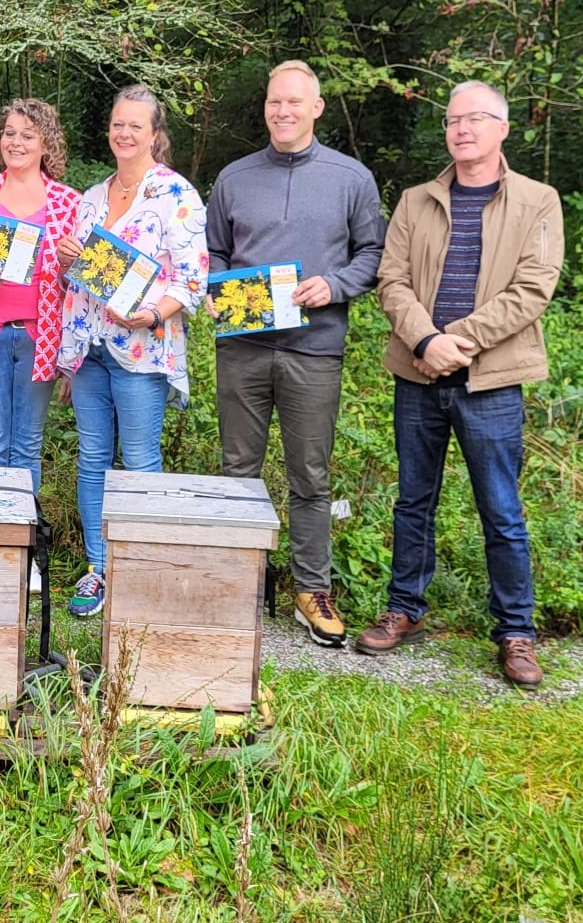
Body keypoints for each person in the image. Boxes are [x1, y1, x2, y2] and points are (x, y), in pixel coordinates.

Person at [358, 80, 564, 689]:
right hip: (417, 374)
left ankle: (517, 632)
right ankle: (404, 610)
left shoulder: (538, 200)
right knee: (412, 501)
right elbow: (390, 280)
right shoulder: (416, 200)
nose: (462, 129)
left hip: (492, 381)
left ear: (503, 127)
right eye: (452, 120)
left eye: (475, 119)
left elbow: (533, 289)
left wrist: (458, 343)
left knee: (501, 509)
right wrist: (426, 341)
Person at [207, 61, 386, 647]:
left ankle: (312, 588)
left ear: (316, 108)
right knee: (238, 472)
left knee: (310, 475)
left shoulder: (352, 178)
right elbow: (213, 253)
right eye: (273, 102)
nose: (282, 112)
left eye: (293, 102)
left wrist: (334, 285)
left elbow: (374, 254)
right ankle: (240, 582)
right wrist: (219, 290)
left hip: (315, 350)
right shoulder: (233, 178)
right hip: (243, 348)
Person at [57, 84, 208, 618]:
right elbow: (76, 274)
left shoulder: (175, 195)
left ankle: (141, 569)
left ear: (154, 134)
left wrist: (148, 315)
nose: (124, 133)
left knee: (140, 459)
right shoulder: (91, 197)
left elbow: (192, 281)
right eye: (118, 124)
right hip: (91, 348)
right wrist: (66, 256)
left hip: (142, 349)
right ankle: (98, 569)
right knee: (93, 458)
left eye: (135, 126)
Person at [0, 98, 80, 589]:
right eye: (9, 132)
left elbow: (83, 284)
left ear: (46, 143)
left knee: (27, 446)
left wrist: (72, 263)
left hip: (41, 338)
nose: (16, 142)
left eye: (28, 134)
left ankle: (24, 554)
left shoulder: (69, 202)